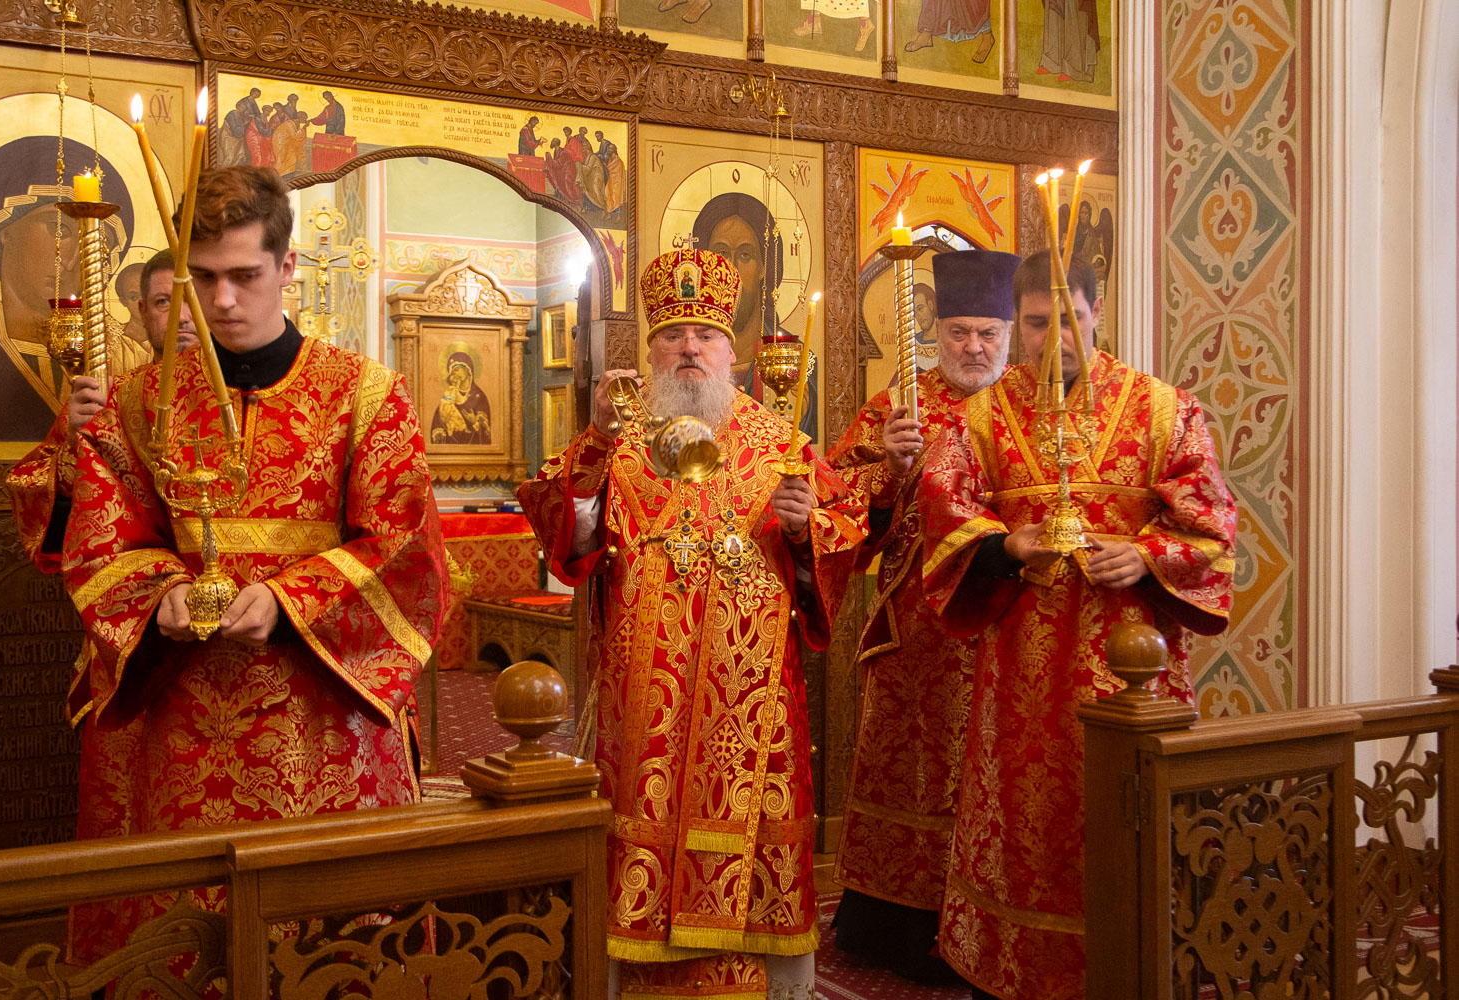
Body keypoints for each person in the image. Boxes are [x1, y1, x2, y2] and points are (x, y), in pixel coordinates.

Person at [60, 166, 449, 941]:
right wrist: (158, 593)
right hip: (183, 719)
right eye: (202, 278)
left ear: (287, 266)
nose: (223, 301)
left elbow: (405, 545)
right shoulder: (140, 400)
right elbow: (106, 537)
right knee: (189, 936)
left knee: (333, 941)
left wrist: (286, 600)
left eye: (244, 275)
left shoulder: (364, 393)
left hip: (327, 721)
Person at [517, 246, 865, 1000]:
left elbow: (840, 543)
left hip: (752, 699)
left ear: (731, 352)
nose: (689, 348)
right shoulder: (619, 440)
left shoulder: (782, 444)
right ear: (649, 352)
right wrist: (595, 442)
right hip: (643, 695)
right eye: (672, 334)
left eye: (705, 335)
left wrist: (805, 528)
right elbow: (570, 540)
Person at [917, 250, 1236, 999]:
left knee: (1124, 815)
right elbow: (942, 508)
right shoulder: (978, 417)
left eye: (1071, 319)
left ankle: (1136, 965)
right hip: (1020, 677)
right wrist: (1006, 546)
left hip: (1133, 669)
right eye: (1036, 323)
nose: (1054, 337)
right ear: (1017, 321)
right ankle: (1012, 976)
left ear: (1097, 314)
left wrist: (1146, 554)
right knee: (1026, 826)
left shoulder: (1165, 410)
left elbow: (1212, 523)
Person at [824, 249, 1019, 985]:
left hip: (1008, 625)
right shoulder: (899, 407)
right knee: (912, 772)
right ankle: (899, 929)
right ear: (936, 333)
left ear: (1009, 336)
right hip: (920, 633)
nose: (974, 347)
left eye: (988, 334)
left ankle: (994, 927)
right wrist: (889, 470)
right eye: (960, 332)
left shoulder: (1029, 411)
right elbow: (835, 505)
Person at [6, 246, 196, 964]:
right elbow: (52, 522)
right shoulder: (116, 402)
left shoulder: (265, 396)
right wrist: (72, 439)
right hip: (136, 643)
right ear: (140, 315)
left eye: (190, 298)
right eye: (162, 303)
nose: (181, 318)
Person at [691, 191, 819, 441]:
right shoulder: (687, 353)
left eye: (745, 255)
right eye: (721, 254)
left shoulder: (795, 360)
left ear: (763, 267)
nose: (732, 269)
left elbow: (801, 446)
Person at [429, 349, 492, 445]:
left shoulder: (479, 396)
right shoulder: (449, 396)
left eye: (457, 369)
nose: (454, 374)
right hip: (450, 449)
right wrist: (444, 423)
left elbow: (486, 432)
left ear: (468, 369)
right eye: (452, 372)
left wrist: (474, 421)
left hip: (474, 450)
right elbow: (437, 426)